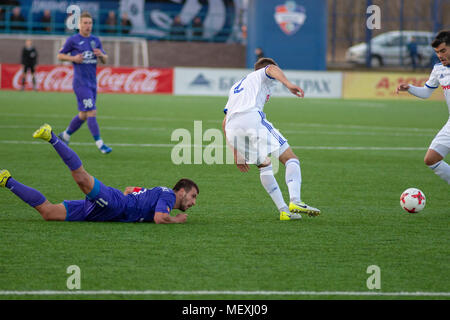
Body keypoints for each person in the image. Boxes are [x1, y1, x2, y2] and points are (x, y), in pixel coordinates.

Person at [0, 124, 198, 223]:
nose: (194, 202)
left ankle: (6, 180)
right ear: (181, 191)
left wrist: (135, 198)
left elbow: (130, 189)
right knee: (81, 177)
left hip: (108, 211)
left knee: (49, 213)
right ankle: (51, 136)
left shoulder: (160, 191)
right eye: (193, 196)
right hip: (115, 204)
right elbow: (159, 218)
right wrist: (176, 219)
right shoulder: (169, 196)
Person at [222, 57, 320, 221]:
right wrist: (288, 84)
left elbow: (224, 121)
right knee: (290, 158)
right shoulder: (263, 74)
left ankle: (284, 211)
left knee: (264, 165)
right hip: (251, 118)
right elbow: (271, 69)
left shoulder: (237, 87)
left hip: (232, 129)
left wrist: (235, 153)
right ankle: (295, 201)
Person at [396, 30, 450, 185]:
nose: (440, 55)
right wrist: (410, 88)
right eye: (437, 52)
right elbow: (426, 92)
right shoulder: (438, 69)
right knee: (431, 159)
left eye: (443, 51)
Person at [56, 11, 112, 154]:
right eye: (85, 23)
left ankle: (65, 135)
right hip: (81, 83)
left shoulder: (95, 40)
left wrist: (102, 55)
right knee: (92, 111)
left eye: (90, 23)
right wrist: (73, 59)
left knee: (83, 114)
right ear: (79, 25)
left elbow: (105, 59)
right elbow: (60, 55)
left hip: (93, 83)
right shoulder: (73, 40)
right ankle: (100, 144)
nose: (88, 26)